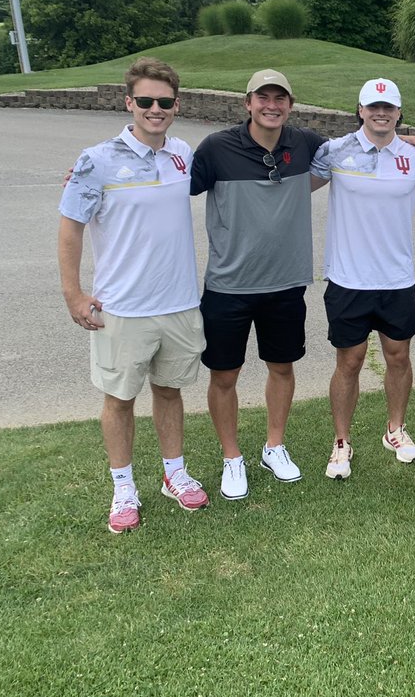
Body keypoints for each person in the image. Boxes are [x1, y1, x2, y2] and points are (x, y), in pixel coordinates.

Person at [58, 57, 208, 533]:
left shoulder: (182, 153)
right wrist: (74, 294)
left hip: (179, 303)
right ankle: (124, 486)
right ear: (130, 103)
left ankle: (174, 474)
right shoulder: (96, 161)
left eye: (164, 102)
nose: (155, 109)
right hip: (121, 308)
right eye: (145, 101)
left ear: (176, 105)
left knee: (169, 392)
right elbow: (69, 231)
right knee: (119, 399)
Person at [190, 69, 326, 499]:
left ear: (290, 103)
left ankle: (275, 446)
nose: (272, 105)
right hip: (228, 286)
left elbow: (367, 144)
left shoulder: (306, 144)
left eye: (280, 98)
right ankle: (233, 458)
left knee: (282, 367)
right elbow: (169, 187)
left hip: (285, 283)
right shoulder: (216, 148)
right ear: (247, 103)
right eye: (262, 97)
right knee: (224, 374)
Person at [310, 79, 415, 479]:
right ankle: (341, 442)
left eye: (388, 107)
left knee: (398, 357)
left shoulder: (414, 156)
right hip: (348, 279)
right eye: (374, 106)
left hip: (396, 279)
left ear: (399, 113)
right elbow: (298, 186)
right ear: (360, 110)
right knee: (350, 361)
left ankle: (395, 429)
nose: (381, 113)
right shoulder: (335, 152)